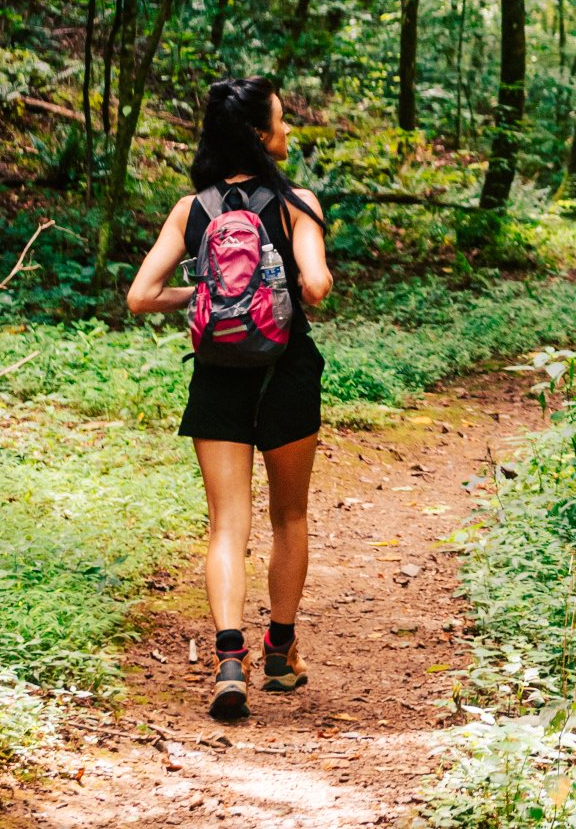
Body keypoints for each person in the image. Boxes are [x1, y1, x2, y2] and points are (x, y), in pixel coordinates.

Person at [126, 75, 334, 719]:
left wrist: (210, 295)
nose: (289, 129)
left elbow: (138, 298)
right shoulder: (298, 202)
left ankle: (227, 661)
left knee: (226, 525)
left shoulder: (192, 210)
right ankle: (280, 649)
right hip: (286, 371)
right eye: (281, 119)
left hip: (217, 374)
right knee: (289, 517)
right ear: (259, 134)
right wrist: (284, 283)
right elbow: (318, 287)